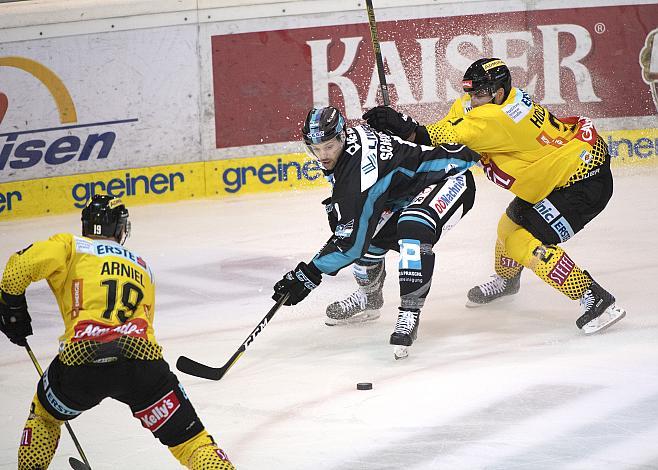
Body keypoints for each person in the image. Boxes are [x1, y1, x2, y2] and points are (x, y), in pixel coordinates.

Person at [362, 57, 626, 335]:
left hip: (582, 182)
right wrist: (408, 131)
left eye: (479, 94)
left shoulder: (498, 119)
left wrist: (406, 129)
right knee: (508, 227)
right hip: (557, 175)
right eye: (470, 93)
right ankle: (507, 280)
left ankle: (594, 297)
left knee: (520, 241)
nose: (472, 99)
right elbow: (446, 129)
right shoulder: (489, 103)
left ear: (499, 92)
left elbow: (437, 137)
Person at [0, 195, 235, 470]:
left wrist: (11, 309)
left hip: (82, 360)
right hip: (141, 362)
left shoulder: (71, 246)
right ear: (119, 228)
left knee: (45, 417)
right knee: (192, 442)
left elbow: (18, 269)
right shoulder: (142, 266)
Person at [271, 106, 480, 359]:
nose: (322, 155)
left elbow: (351, 244)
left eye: (328, 146)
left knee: (412, 227)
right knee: (362, 232)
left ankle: (409, 314)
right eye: (315, 148)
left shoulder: (358, 174)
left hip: (448, 179)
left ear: (342, 137)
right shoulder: (348, 149)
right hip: (402, 195)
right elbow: (350, 232)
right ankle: (369, 299)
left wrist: (309, 274)